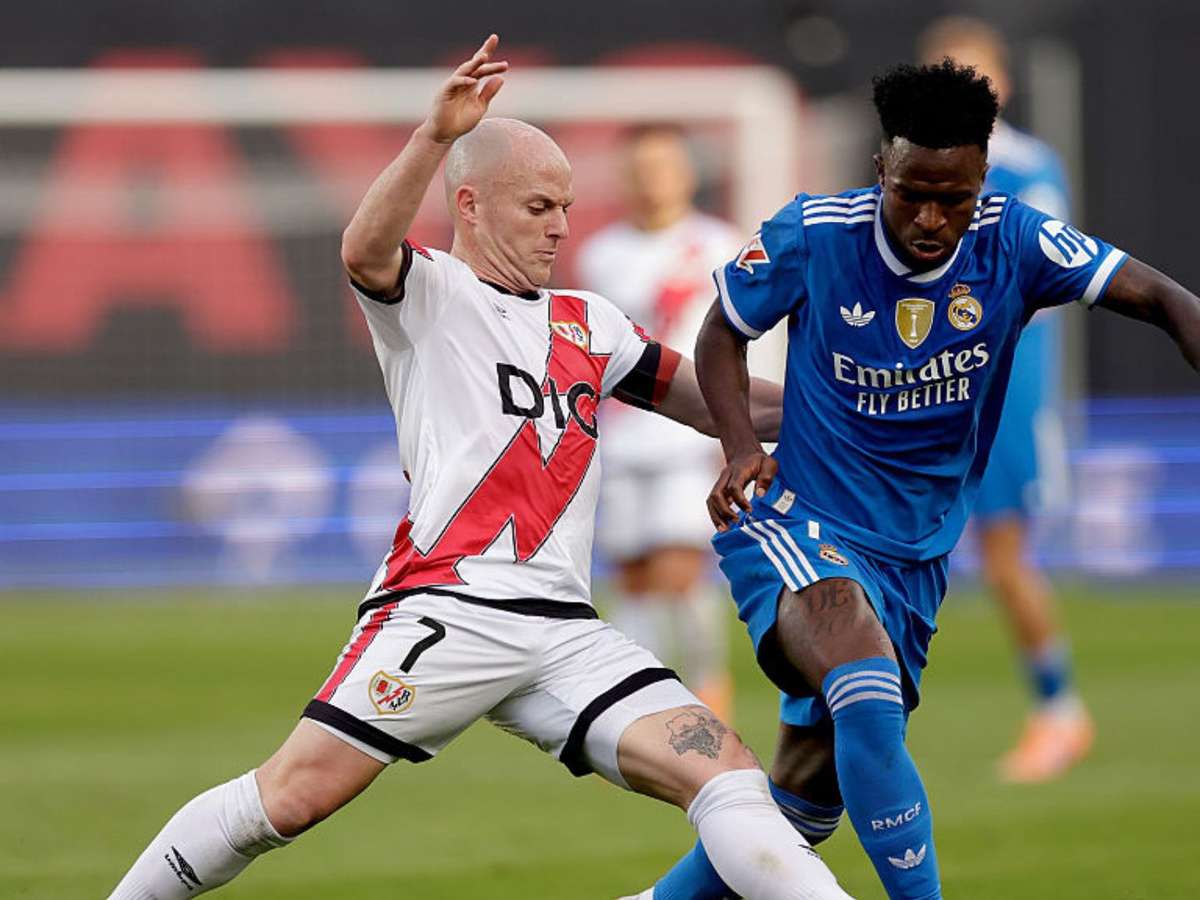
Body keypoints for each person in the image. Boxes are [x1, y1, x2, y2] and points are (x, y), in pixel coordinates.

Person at [106, 35, 854, 900]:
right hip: (450, 608)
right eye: (538, 206)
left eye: (565, 206)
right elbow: (363, 249)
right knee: (290, 798)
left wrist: (858, 406)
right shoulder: (428, 294)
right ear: (470, 204)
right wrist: (434, 136)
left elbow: (716, 402)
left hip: (566, 630)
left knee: (727, 774)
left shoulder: (591, 322)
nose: (560, 225)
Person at [632, 60, 1199, 900]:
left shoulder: (1017, 239)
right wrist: (739, 446)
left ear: (983, 180)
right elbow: (723, 332)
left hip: (914, 553)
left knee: (803, 803)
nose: (932, 219)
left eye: (954, 198)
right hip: (798, 518)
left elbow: (1166, 299)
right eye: (912, 194)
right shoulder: (815, 233)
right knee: (866, 695)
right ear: (881, 171)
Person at [920, 15, 1093, 784]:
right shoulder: (906, 166)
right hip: (922, 384)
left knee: (1003, 556)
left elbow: (1050, 275)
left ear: (1003, 86)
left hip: (1004, 389)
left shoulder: (1025, 167)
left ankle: (1060, 710)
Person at [578, 124, 741, 721]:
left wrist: (739, 429)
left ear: (687, 173)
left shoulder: (719, 246)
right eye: (641, 169)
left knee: (680, 569)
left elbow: (749, 339)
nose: (653, 180)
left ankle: (707, 691)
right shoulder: (601, 254)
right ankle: (644, 705)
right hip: (621, 437)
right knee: (634, 578)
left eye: (664, 166)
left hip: (691, 435)